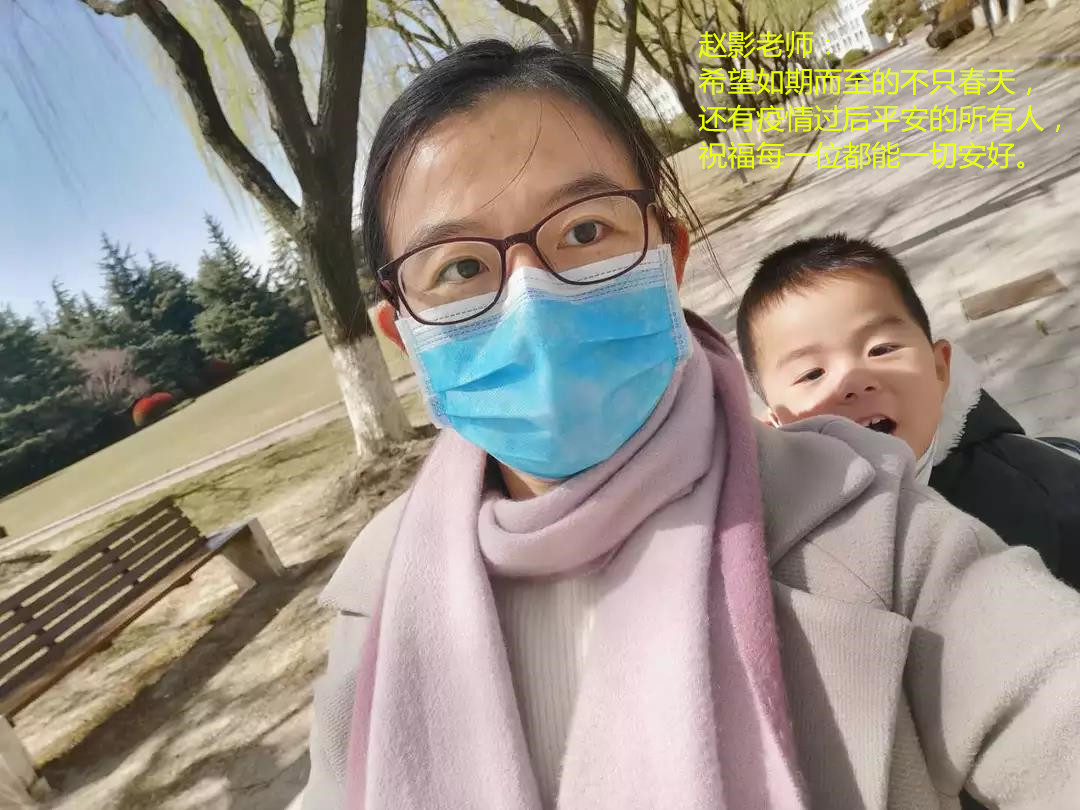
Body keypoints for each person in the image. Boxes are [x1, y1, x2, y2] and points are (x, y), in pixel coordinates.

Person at [303, 41, 1080, 810]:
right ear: (405, 335)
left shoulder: (870, 522)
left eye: (584, 231)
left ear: (666, 256)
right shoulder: (380, 605)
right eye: (460, 268)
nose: (532, 300)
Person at [735, 234, 1080, 590]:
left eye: (881, 349)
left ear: (939, 369)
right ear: (776, 423)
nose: (854, 381)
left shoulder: (1044, 498)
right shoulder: (773, 544)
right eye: (812, 374)